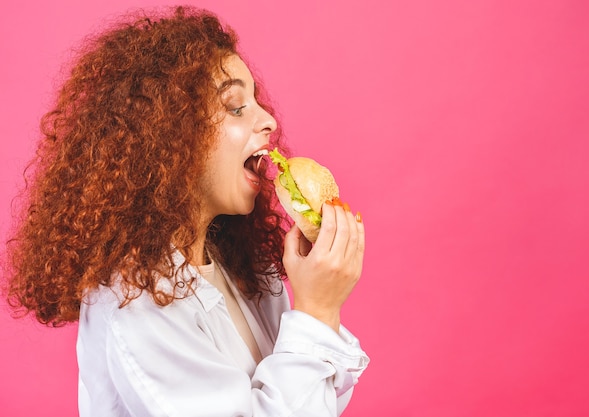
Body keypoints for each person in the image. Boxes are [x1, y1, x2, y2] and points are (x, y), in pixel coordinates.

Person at [4, 5, 368, 416]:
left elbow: (319, 399)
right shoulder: (134, 299)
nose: (268, 120)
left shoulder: (246, 269)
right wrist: (318, 311)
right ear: (169, 136)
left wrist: (320, 304)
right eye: (235, 107)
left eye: (257, 103)